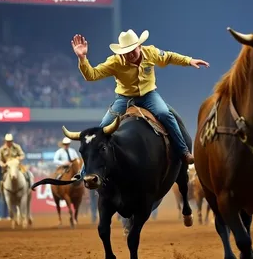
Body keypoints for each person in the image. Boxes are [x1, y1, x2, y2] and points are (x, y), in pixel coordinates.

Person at [70, 29, 209, 180]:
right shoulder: (114, 62)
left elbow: (169, 57)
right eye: (126, 52)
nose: (129, 55)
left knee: (164, 114)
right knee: (102, 128)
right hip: (124, 98)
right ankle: (85, 171)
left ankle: (183, 152)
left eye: (132, 50)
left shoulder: (151, 52)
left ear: (139, 47)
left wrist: (189, 60)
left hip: (149, 95)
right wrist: (82, 58)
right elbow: (92, 75)